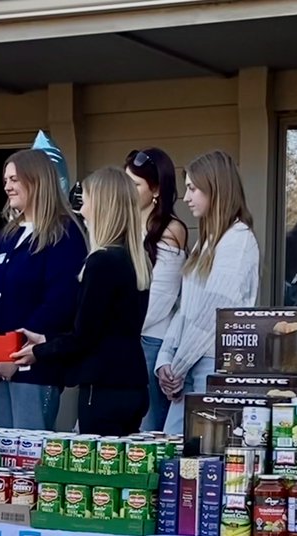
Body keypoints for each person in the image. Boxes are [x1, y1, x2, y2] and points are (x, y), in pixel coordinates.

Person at [11, 167, 151, 436]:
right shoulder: (135, 259)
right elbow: (106, 327)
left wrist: (39, 352)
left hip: (102, 387)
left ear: (100, 205)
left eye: (84, 201)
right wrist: (45, 340)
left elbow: (85, 337)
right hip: (133, 384)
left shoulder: (101, 262)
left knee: (98, 473)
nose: (81, 210)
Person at [0, 148, 87, 430]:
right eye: (5, 180)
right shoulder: (7, 234)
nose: (7, 186)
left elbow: (60, 301)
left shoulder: (65, 233)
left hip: (36, 367)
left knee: (28, 457)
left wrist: (15, 355)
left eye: (14, 179)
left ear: (36, 180)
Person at [156, 150, 260, 435]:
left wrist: (175, 367)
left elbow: (212, 317)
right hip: (189, 362)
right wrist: (164, 359)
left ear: (215, 189)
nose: (186, 198)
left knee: (200, 461)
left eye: (193, 188)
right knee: (174, 454)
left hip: (215, 367)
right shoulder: (207, 242)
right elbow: (185, 309)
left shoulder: (237, 242)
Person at [125, 148, 187, 431]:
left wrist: (118, 327)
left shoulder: (171, 229)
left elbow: (161, 297)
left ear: (157, 189)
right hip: (122, 338)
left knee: (147, 430)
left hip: (150, 340)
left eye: (135, 184)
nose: (127, 190)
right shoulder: (122, 225)